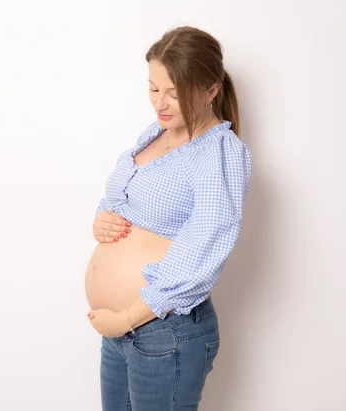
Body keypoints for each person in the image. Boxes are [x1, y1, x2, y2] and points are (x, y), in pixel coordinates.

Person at [84, 26, 252, 410]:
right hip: (121, 331)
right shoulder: (155, 133)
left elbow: (204, 252)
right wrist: (102, 220)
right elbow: (125, 200)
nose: (160, 102)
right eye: (154, 88)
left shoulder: (219, 154)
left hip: (163, 330)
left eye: (175, 93)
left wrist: (128, 317)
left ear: (211, 91)